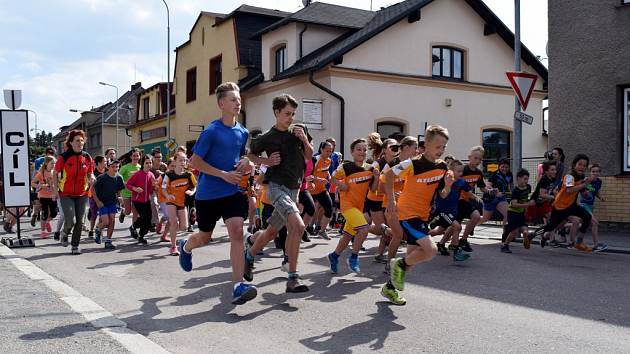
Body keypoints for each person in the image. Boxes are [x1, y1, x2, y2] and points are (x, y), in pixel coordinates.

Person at [177, 82, 256, 305]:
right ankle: (186, 246)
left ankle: (238, 285)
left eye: (239, 99)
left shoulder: (243, 132)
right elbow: (195, 162)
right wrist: (222, 174)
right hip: (208, 194)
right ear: (222, 104)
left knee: (237, 233)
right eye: (233, 99)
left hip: (232, 191)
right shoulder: (211, 132)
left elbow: (240, 157)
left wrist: (246, 162)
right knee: (205, 237)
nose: (237, 103)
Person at [245, 93, 313, 293]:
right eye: (287, 114)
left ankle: (248, 255)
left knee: (272, 231)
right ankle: (293, 277)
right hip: (275, 188)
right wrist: (266, 162)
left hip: (294, 189)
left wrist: (304, 140)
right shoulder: (267, 137)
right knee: (298, 226)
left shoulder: (298, 132)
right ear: (276, 113)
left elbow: (308, 157)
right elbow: (249, 154)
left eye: (293, 114)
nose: (291, 118)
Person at [380, 125, 448, 306]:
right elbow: (387, 176)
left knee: (412, 260)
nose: (441, 151)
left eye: (443, 147)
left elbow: (442, 194)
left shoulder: (442, 167)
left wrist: (447, 185)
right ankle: (397, 264)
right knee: (430, 250)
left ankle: (389, 288)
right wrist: (392, 202)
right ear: (426, 144)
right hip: (407, 214)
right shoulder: (413, 163)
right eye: (437, 147)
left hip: (423, 215)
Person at [326, 138, 378, 274]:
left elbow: (373, 189)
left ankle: (334, 256)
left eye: (364, 150)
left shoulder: (370, 168)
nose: (362, 152)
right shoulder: (346, 167)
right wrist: (341, 184)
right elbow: (332, 177)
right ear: (352, 152)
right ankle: (354, 257)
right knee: (364, 229)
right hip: (348, 206)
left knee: (348, 235)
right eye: (359, 149)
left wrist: (377, 177)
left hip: (359, 206)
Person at [532, 154, 593, 251]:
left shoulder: (581, 176)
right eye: (580, 164)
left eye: (584, 165)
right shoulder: (569, 176)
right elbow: (569, 190)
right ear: (574, 165)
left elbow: (582, 188)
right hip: (560, 206)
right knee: (551, 227)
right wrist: (585, 184)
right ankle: (533, 235)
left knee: (587, 217)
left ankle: (579, 242)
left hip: (571, 205)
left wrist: (587, 191)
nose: (582, 167)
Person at [52, 130, 95, 254]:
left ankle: (75, 245)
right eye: (77, 140)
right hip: (66, 193)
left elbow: (90, 172)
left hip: (82, 193)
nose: (80, 142)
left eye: (82, 140)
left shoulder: (87, 157)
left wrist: (91, 176)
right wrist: (55, 191)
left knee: (80, 221)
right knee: (70, 220)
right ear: (71, 142)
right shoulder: (64, 157)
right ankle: (64, 233)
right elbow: (55, 173)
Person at [381, 136, 419, 274]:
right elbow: (380, 186)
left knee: (403, 235)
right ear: (407, 147)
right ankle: (389, 264)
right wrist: (393, 195)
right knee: (398, 235)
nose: (417, 151)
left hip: (405, 206)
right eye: (415, 148)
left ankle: (387, 231)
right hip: (390, 205)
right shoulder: (391, 164)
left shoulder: (411, 164)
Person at [431, 159, 472, 261]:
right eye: (458, 171)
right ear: (450, 171)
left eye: (461, 171)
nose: (460, 173)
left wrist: (481, 194)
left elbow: (469, 189)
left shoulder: (461, 182)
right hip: (442, 211)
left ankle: (417, 236)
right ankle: (456, 251)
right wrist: (448, 184)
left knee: (439, 231)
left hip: (452, 211)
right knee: (457, 227)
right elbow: (443, 195)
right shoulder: (444, 181)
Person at [367, 138, 399, 264]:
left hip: (387, 200)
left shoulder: (399, 163)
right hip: (374, 199)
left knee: (388, 229)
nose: (395, 148)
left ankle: (380, 254)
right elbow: (371, 186)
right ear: (385, 149)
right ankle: (362, 227)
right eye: (392, 146)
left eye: (397, 146)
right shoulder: (377, 164)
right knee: (382, 230)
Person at [453, 146, 488, 252]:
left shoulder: (478, 173)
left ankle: (462, 240)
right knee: (451, 227)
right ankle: (446, 244)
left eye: (480, 159)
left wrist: (491, 191)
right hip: (457, 200)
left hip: (466, 200)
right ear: (469, 157)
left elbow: (483, 188)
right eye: (475, 158)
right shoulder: (463, 170)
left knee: (475, 217)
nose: (477, 161)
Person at [163, 151, 197, 255]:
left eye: (185, 160)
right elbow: (163, 188)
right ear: (175, 161)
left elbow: (195, 186)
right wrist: (168, 195)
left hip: (182, 203)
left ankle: (173, 229)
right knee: (174, 222)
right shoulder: (169, 175)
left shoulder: (189, 174)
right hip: (171, 201)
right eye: (180, 160)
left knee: (184, 227)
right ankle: (173, 247)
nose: (183, 162)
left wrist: (191, 192)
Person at [572, 163, 607, 252]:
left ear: (599, 173)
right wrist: (585, 193)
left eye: (597, 171)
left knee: (579, 223)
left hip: (591, 206)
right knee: (595, 223)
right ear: (590, 172)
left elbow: (597, 192)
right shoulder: (586, 180)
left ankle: (571, 241)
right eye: (593, 171)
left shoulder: (599, 181)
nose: (595, 173)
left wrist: (601, 197)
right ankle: (596, 244)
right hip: (583, 204)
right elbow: (580, 189)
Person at [92, 160, 126, 249]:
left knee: (112, 220)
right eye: (113, 166)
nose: (115, 169)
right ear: (108, 167)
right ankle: (98, 229)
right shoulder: (102, 177)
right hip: (102, 202)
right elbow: (93, 189)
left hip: (112, 202)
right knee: (106, 222)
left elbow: (119, 191)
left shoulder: (119, 177)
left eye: (117, 167)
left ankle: (108, 241)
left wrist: (120, 198)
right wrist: (97, 201)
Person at [503, 169, 535, 253]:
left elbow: (527, 198)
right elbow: (514, 204)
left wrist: (528, 208)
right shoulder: (515, 191)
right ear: (518, 178)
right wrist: (527, 205)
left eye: (527, 179)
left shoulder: (528, 187)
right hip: (513, 212)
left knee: (525, 228)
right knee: (514, 231)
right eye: (524, 179)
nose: (526, 181)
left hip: (521, 212)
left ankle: (526, 238)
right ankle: (505, 245)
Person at [126, 155, 156, 245]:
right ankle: (134, 227)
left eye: (150, 162)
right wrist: (135, 189)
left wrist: (155, 187)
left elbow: (152, 188)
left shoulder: (151, 174)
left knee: (148, 219)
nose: (149, 164)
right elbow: (128, 184)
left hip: (146, 200)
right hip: (138, 200)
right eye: (147, 163)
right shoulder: (138, 174)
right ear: (143, 164)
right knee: (144, 217)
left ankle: (141, 236)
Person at [480, 158, 513, 234]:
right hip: (490, 199)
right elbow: (488, 185)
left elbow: (511, 185)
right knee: (485, 218)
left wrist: (514, 193)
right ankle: (472, 225)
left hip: (501, 198)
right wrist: (495, 192)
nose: (504, 169)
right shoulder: (495, 174)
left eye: (506, 167)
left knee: (507, 214)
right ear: (499, 167)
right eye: (502, 167)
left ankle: (505, 234)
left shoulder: (510, 174)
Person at [310, 142, 334, 240]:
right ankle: (302, 230)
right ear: (321, 149)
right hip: (311, 190)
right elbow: (308, 175)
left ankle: (322, 231)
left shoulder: (329, 160)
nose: (329, 153)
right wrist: (319, 179)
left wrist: (329, 176)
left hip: (322, 190)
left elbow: (325, 170)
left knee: (329, 208)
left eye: (330, 151)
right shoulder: (315, 159)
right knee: (308, 211)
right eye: (327, 151)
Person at [31, 156, 57, 238]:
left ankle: (47, 222)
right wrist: (41, 185)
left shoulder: (55, 173)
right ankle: (43, 232)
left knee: (54, 213)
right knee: (45, 213)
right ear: (46, 163)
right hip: (43, 196)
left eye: (54, 163)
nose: (53, 165)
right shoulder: (41, 173)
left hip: (52, 195)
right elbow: (32, 183)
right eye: (52, 163)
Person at [119, 148, 141, 234]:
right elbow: (118, 177)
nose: (136, 157)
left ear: (139, 156)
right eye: (134, 156)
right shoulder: (125, 167)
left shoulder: (140, 167)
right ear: (131, 156)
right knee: (128, 211)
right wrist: (125, 183)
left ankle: (134, 228)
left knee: (135, 211)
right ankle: (123, 212)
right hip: (126, 192)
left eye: (137, 155)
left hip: (136, 193)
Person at [88, 156, 107, 238]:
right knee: (94, 214)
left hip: (104, 196)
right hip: (93, 196)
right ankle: (91, 230)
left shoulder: (107, 171)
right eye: (104, 162)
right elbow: (90, 185)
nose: (106, 163)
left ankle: (99, 229)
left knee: (102, 214)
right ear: (99, 163)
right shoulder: (93, 172)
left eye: (106, 161)